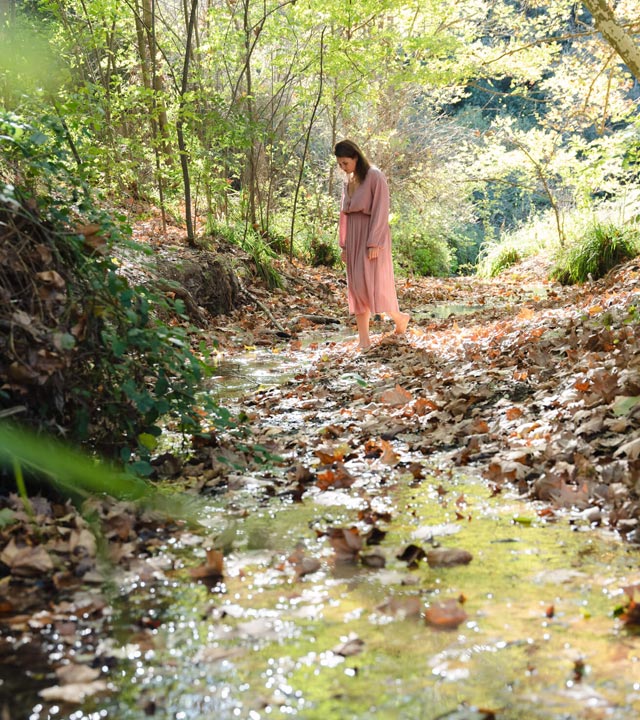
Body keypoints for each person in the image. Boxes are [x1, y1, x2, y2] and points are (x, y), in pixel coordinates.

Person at [334, 139, 410, 350]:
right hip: (353, 236)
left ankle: (399, 317)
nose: (343, 168)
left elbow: (381, 209)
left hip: (372, 234)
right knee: (356, 287)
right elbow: (344, 215)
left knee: (374, 285)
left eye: (346, 163)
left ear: (356, 157)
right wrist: (344, 245)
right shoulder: (347, 181)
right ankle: (364, 340)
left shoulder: (374, 176)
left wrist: (374, 241)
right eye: (340, 164)